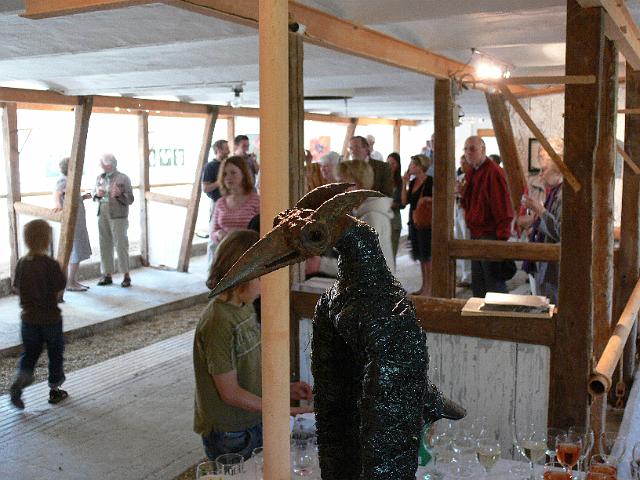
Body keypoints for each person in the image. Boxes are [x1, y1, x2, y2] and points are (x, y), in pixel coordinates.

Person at [194, 229, 313, 460]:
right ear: (241, 276)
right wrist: (282, 408)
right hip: (230, 431)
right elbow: (230, 393)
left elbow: (249, 369)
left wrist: (285, 388)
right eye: (260, 277)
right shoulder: (218, 321)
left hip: (254, 418)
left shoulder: (243, 304)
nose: (264, 285)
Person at [10, 219, 68, 410]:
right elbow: (59, 290)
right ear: (47, 240)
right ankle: (55, 389)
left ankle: (22, 379)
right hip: (50, 319)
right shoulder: (51, 264)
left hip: (28, 319)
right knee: (55, 354)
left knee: (29, 354)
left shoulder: (22, 263)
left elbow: (16, 288)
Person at [460, 136, 514, 297]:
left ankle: (499, 312)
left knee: (493, 282)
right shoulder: (473, 171)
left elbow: (502, 206)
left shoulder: (493, 172)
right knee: (479, 281)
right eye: (465, 149)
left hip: (490, 234)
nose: (468, 153)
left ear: (483, 149)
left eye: (472, 149)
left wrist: (501, 239)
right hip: (476, 233)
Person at [521, 139, 564, 304]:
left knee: (551, 307)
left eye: (544, 169)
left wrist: (539, 210)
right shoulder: (555, 192)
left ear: (558, 169)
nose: (540, 174)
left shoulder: (563, 195)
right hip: (546, 264)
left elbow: (561, 232)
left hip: (554, 267)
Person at [93, 153, 135, 288]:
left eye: (102, 162)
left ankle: (126, 275)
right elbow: (94, 195)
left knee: (121, 244)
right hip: (102, 214)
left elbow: (130, 199)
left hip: (118, 215)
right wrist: (97, 195)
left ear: (108, 164)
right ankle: (107, 275)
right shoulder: (99, 177)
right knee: (104, 243)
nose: (100, 165)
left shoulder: (123, 178)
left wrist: (119, 194)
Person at [53, 157, 92, 292]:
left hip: (77, 220)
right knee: (75, 250)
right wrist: (58, 205)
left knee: (77, 250)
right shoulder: (63, 180)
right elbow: (57, 194)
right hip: (72, 221)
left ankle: (73, 280)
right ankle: (70, 282)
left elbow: (68, 197)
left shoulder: (69, 180)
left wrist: (83, 197)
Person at [401, 154, 433, 296]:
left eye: (412, 165)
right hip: (414, 222)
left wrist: (426, 199)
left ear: (420, 166)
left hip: (425, 223)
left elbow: (439, 198)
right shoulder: (413, 182)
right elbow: (404, 201)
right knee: (420, 256)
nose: (410, 167)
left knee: (427, 257)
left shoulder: (430, 181)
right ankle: (424, 286)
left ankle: (429, 287)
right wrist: (404, 183)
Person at [211, 156, 260, 247]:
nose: (228, 177)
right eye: (225, 174)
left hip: (250, 251)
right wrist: (218, 235)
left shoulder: (257, 201)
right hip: (226, 252)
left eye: (233, 173)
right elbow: (213, 233)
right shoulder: (220, 203)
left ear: (244, 174)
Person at [202, 139, 230, 265]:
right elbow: (205, 188)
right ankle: (211, 268)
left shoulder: (228, 164)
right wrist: (219, 182)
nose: (228, 151)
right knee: (214, 237)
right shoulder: (210, 166)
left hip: (230, 203)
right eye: (226, 148)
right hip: (217, 203)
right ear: (218, 150)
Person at [386, 152, 404, 262]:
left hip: (394, 220)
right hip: (382, 217)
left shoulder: (400, 182)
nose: (390, 166)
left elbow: (403, 203)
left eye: (393, 163)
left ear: (398, 165)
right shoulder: (382, 180)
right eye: (388, 163)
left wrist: (393, 204)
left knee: (392, 254)